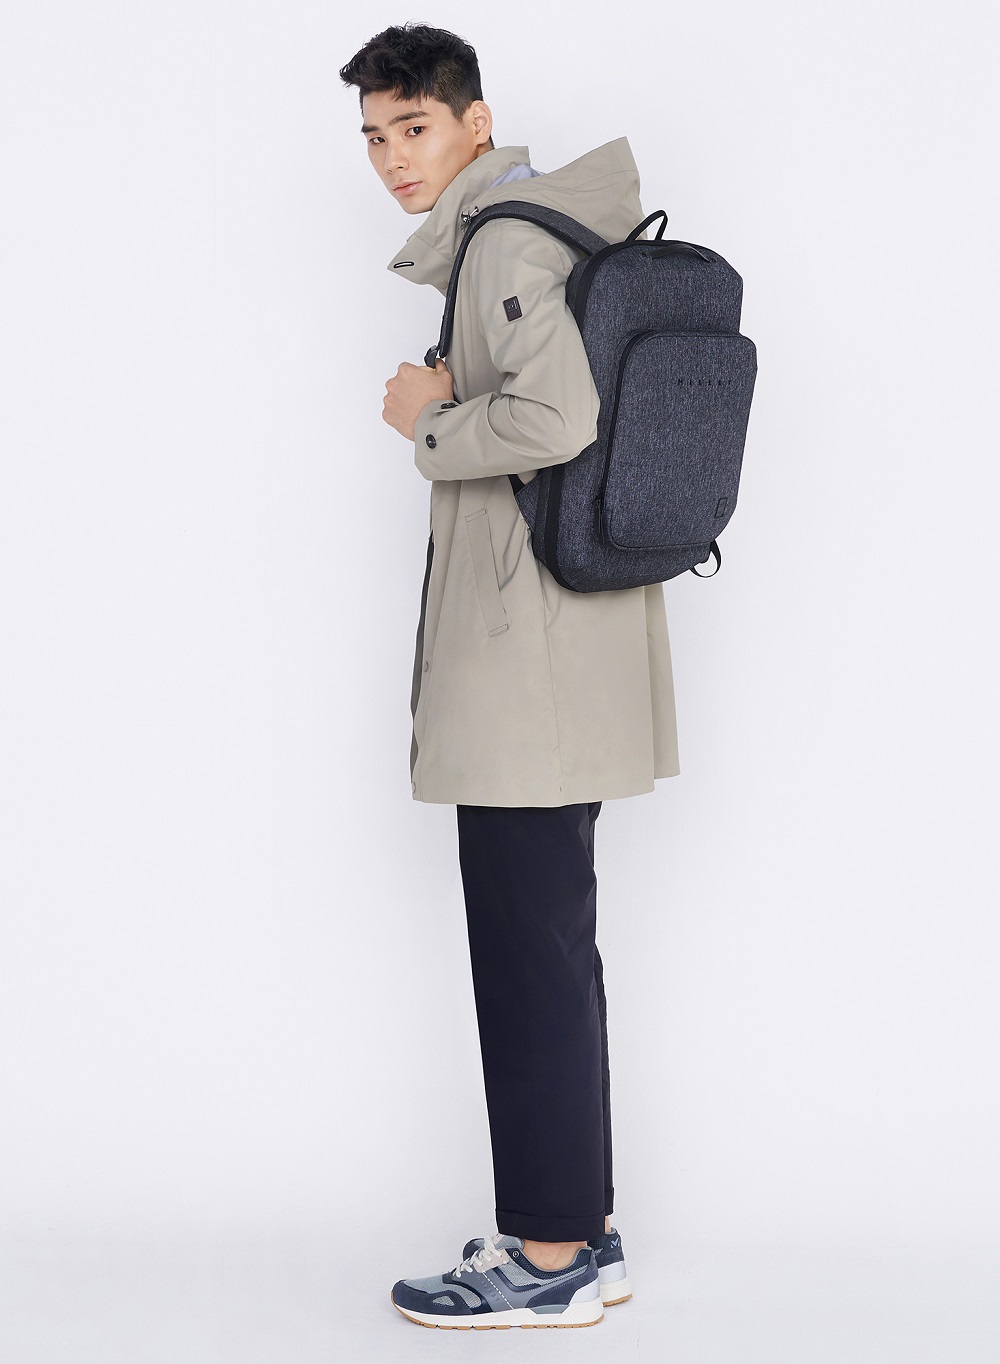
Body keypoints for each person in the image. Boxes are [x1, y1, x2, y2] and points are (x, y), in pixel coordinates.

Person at [339, 22, 680, 1331]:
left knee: (528, 957)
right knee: (549, 948)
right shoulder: (542, 233)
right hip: (564, 646)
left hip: (525, 664)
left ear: (476, 124)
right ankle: (576, 1230)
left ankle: (548, 1259)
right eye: (375, 136)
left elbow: (556, 419)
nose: (392, 157)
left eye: (414, 127)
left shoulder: (505, 247)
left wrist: (426, 415)